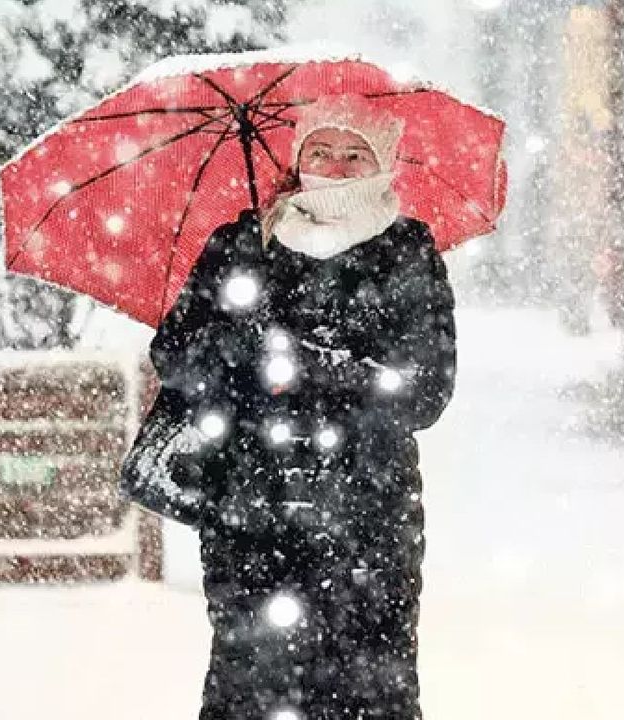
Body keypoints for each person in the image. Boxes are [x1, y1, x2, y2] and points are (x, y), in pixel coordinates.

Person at [121, 93, 457, 720]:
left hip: (367, 517)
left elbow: (424, 391)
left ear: (382, 162)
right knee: (250, 687)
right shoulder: (241, 243)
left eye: (355, 153)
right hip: (250, 510)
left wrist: (308, 363)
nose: (335, 163)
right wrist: (238, 346)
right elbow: (175, 354)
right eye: (321, 149)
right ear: (297, 157)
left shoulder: (408, 251)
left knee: (368, 691)